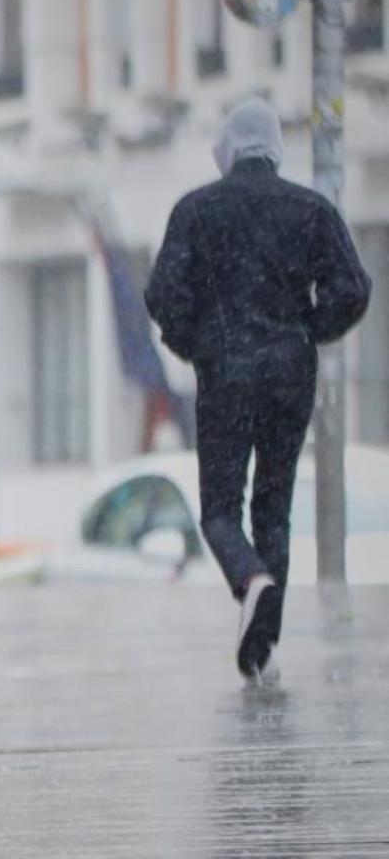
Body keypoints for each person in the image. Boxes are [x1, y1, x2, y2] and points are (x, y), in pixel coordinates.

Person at [146, 98, 370, 683]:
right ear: (274, 146)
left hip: (226, 371)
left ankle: (249, 581)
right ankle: (261, 646)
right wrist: (307, 333)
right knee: (273, 505)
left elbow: (162, 293)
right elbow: (353, 288)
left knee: (221, 508)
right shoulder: (310, 210)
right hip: (289, 371)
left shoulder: (196, 211)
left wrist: (195, 342)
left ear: (228, 146)